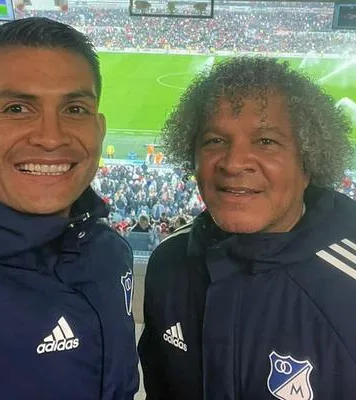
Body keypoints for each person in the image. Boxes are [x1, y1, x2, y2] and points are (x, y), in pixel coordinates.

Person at [138, 57, 356, 399]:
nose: (234, 162)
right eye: (215, 141)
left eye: (266, 141)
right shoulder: (169, 264)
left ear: (309, 159)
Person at [0, 17, 138, 399]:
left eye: (74, 110)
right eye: (18, 108)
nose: (51, 138)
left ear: (100, 129)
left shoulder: (107, 248)